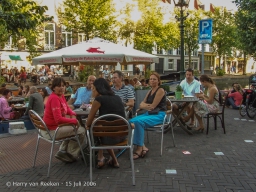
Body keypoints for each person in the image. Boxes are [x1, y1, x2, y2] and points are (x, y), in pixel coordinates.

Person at [43, 77, 86, 163]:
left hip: (52, 127)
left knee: (73, 127)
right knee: (82, 131)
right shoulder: (54, 98)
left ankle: (62, 151)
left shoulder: (60, 96)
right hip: (52, 130)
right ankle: (71, 154)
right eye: (59, 86)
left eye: (63, 86)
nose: (62, 88)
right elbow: (58, 119)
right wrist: (74, 121)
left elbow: (66, 107)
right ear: (54, 88)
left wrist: (73, 114)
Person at [86, 78, 126, 168]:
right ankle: (112, 159)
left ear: (98, 89)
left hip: (108, 138)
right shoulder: (117, 97)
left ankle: (99, 156)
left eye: (93, 89)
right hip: (123, 136)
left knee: (93, 128)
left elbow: (88, 122)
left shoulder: (99, 100)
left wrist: (87, 125)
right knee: (103, 128)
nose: (92, 91)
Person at [129, 72, 166, 160]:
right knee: (130, 121)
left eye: (154, 79)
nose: (152, 81)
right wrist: (145, 106)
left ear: (158, 81)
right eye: (151, 79)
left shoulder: (160, 90)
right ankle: (143, 146)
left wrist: (144, 106)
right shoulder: (149, 91)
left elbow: (152, 106)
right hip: (149, 114)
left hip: (159, 115)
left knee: (138, 122)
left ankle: (138, 149)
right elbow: (141, 104)